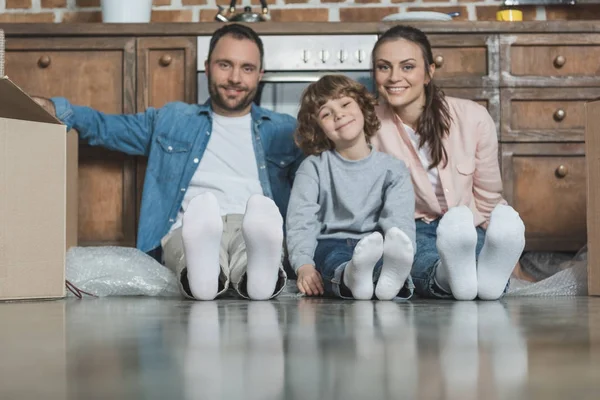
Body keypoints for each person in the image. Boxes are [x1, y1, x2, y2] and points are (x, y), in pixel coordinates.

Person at [33, 24, 303, 301]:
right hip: (191, 225)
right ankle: (216, 276)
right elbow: (105, 126)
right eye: (225, 65)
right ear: (208, 67)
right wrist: (57, 109)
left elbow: (321, 177)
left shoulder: (286, 130)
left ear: (260, 75)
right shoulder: (171, 119)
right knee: (190, 245)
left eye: (246, 68)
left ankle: (250, 276)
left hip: (251, 222)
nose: (235, 77)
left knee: (254, 246)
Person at [370, 25, 525, 301]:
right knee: (417, 260)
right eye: (384, 67)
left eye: (407, 67)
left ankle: (484, 279)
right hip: (411, 226)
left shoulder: (473, 117)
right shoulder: (367, 124)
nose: (394, 77)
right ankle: (447, 276)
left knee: (481, 256)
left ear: (429, 72)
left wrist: (515, 264)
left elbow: (488, 198)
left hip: (467, 225)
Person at [286, 74, 416, 301]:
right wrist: (304, 265)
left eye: (345, 104)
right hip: (329, 242)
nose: (339, 114)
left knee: (384, 257)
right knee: (331, 259)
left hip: (374, 244)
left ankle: (384, 280)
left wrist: (401, 249)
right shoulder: (313, 167)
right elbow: (301, 222)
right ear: (318, 128)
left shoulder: (393, 169)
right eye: (326, 113)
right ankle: (352, 275)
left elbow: (399, 222)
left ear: (363, 108)